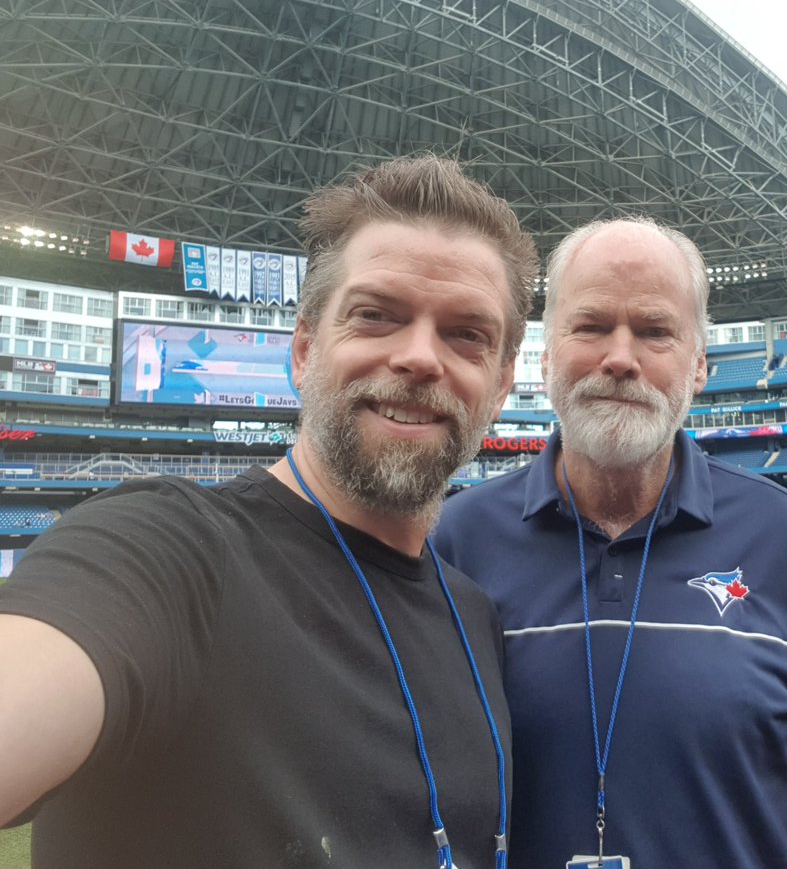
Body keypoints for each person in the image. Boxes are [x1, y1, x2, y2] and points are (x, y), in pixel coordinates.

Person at [0, 155, 538, 868]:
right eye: (376, 315)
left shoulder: (475, 616)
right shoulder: (170, 552)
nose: (419, 358)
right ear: (305, 349)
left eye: (466, 333)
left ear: (501, 386)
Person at [434, 217, 787, 867]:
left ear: (697, 367)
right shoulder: (452, 543)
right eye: (591, 325)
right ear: (545, 358)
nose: (621, 358)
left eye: (655, 331)